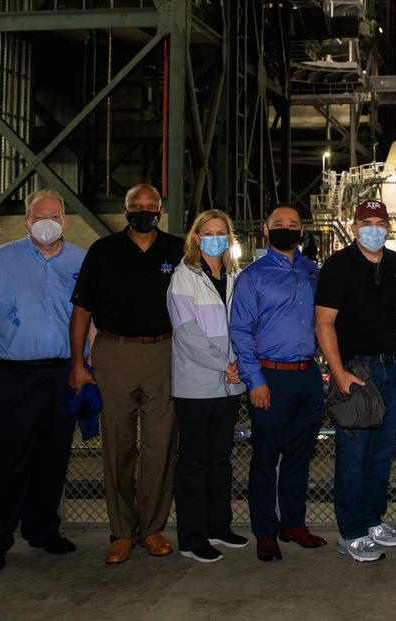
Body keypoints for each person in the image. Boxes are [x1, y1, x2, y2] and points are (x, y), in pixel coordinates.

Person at [0, 190, 86, 575]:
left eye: (54, 214)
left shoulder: (81, 261)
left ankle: (43, 530)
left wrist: (88, 368)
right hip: (12, 376)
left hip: (62, 373)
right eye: (38, 215)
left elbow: (91, 321)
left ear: (64, 219)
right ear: (27, 221)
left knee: (53, 457)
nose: (47, 221)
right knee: (5, 460)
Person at [69, 183, 185, 565]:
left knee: (159, 447)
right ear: (125, 210)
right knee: (117, 446)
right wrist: (78, 364)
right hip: (114, 353)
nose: (144, 210)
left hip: (164, 353)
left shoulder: (178, 250)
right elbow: (82, 311)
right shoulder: (103, 251)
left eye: (151, 206)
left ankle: (152, 529)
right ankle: (121, 532)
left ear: (161, 210)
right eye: (137, 205)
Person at [314, 200, 396, 564]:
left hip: (391, 369)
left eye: (380, 222)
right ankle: (350, 532)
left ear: (389, 227)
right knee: (353, 456)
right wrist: (339, 374)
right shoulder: (338, 266)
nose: (374, 228)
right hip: (356, 370)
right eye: (366, 222)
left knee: (382, 453)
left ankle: (372, 520)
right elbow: (323, 323)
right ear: (354, 228)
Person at [229, 203, 327, 561]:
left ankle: (294, 524)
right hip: (269, 377)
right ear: (266, 229)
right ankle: (265, 531)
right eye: (279, 223)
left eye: (294, 224)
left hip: (308, 376)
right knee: (266, 458)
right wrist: (255, 381)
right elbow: (240, 330)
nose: (287, 228)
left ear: (302, 230)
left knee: (300, 457)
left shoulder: (312, 272)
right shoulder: (252, 277)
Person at [166, 209, 248, 564]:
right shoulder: (184, 278)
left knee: (220, 460)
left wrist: (238, 366)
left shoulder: (235, 276)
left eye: (222, 232)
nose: (215, 237)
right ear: (196, 238)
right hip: (198, 386)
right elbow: (187, 334)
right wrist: (225, 364)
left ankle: (219, 526)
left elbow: (245, 324)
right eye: (208, 232)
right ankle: (192, 536)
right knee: (194, 462)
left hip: (229, 385)